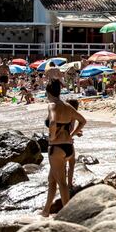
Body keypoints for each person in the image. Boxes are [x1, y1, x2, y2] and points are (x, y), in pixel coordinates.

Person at [41, 80, 86, 217]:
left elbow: (53, 121)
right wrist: (71, 134)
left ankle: (68, 214)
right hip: (68, 147)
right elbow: (83, 121)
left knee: (62, 182)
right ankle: (46, 210)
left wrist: (52, 136)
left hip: (56, 148)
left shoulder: (52, 105)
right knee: (52, 179)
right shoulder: (67, 106)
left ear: (48, 92)